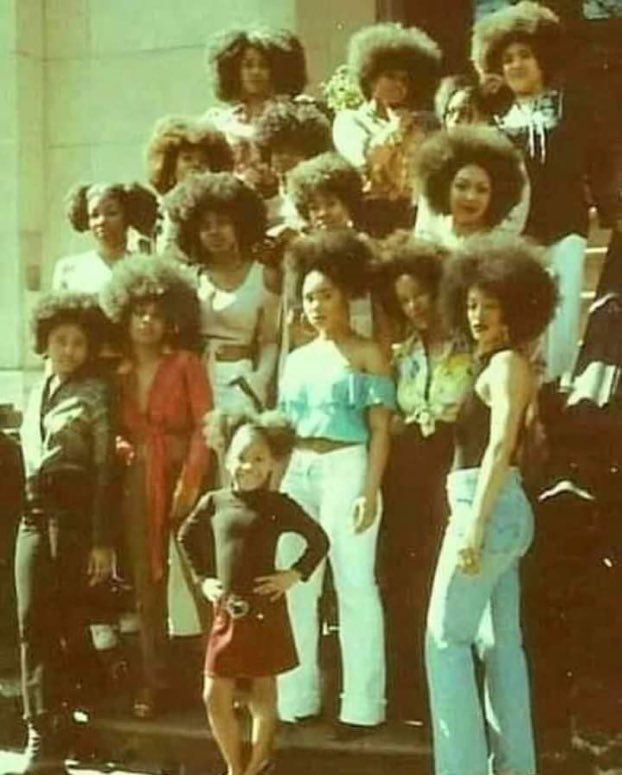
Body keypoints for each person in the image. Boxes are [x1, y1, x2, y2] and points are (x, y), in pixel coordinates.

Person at [425, 234, 557, 775]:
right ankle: (514, 767)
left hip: (487, 508)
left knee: (445, 640)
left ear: (515, 308)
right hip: (504, 509)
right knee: (502, 647)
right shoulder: (505, 364)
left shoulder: (506, 366)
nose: (478, 315)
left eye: (491, 305)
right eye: (472, 304)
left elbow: (501, 443)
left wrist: (473, 526)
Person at [276, 230, 395, 738]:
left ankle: (362, 705)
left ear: (347, 296)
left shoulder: (368, 354)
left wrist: (370, 489)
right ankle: (296, 697)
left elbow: (380, 431)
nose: (317, 305)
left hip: (349, 466)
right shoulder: (297, 358)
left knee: (354, 584)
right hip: (299, 471)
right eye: (308, 297)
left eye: (325, 294)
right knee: (296, 583)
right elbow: (283, 429)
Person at [472, 0, 620, 382]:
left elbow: (598, 161)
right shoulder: (496, 118)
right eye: (507, 59)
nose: (516, 65)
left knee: (564, 313)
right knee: (521, 319)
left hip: (566, 227)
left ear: (542, 59)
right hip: (516, 236)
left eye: (524, 55)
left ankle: (559, 391)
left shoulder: (571, 106)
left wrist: (610, 210)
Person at [178, 413, 328, 775]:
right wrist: (204, 582)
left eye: (260, 459)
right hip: (228, 613)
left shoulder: (278, 505)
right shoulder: (214, 503)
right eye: (242, 456)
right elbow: (185, 537)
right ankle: (234, 766)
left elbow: (319, 540)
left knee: (264, 693)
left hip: (265, 610)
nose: (249, 466)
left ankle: (259, 762)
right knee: (214, 694)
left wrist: (292, 575)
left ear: (274, 463)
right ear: (226, 456)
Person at [100, 256, 213, 719]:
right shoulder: (117, 374)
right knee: (147, 589)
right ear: (124, 316)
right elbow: (116, 432)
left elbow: (207, 427)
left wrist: (189, 484)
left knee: (201, 581)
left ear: (172, 321)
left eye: (156, 314)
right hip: (137, 485)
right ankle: (154, 684)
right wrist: (127, 449)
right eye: (138, 312)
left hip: (185, 480)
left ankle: (219, 683)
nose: (147, 321)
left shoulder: (186, 363)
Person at [15, 292, 114, 775]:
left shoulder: (96, 392)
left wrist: (101, 539)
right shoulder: (37, 389)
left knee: (66, 621)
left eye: (78, 343)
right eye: (60, 341)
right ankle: (40, 729)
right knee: (32, 619)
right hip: (33, 512)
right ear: (45, 342)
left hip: (75, 514)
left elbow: (103, 471)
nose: (69, 350)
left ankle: (73, 722)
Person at [376, 235, 473, 721]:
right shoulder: (402, 354)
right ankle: (414, 700)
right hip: (408, 475)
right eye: (405, 300)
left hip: (453, 467)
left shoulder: (472, 347)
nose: (415, 306)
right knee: (408, 583)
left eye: (422, 295)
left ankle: (456, 702)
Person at [164, 171, 280, 413]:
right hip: (192, 379)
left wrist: (258, 381)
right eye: (205, 226)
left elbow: (270, 341)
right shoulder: (190, 278)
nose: (214, 232)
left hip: (240, 380)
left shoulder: (264, 275)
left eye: (223, 223)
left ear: (240, 225)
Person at [332, 22, 441, 236]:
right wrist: (396, 128)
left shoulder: (422, 124)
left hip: (415, 220)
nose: (399, 84)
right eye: (390, 76)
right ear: (371, 77)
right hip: (368, 220)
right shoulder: (350, 120)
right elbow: (365, 160)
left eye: (404, 79)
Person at [204, 27, 308, 196]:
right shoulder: (219, 123)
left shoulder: (296, 116)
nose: (255, 71)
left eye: (263, 65)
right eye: (248, 65)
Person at [414, 125, 526, 249]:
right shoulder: (430, 242)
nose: (471, 197)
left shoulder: (502, 250)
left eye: (482, 190)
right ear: (445, 189)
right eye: (461, 186)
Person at [144, 114, 234, 256]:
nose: (196, 165)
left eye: (203, 160)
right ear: (170, 165)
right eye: (187, 159)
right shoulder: (159, 209)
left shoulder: (221, 206)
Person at [52, 182, 158, 292]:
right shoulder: (68, 269)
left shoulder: (144, 269)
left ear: (127, 217)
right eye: (94, 215)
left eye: (112, 213)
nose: (101, 221)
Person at [253, 100, 332, 230]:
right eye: (278, 151)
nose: (284, 158)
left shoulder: (324, 189)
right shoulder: (263, 195)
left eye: (293, 152)